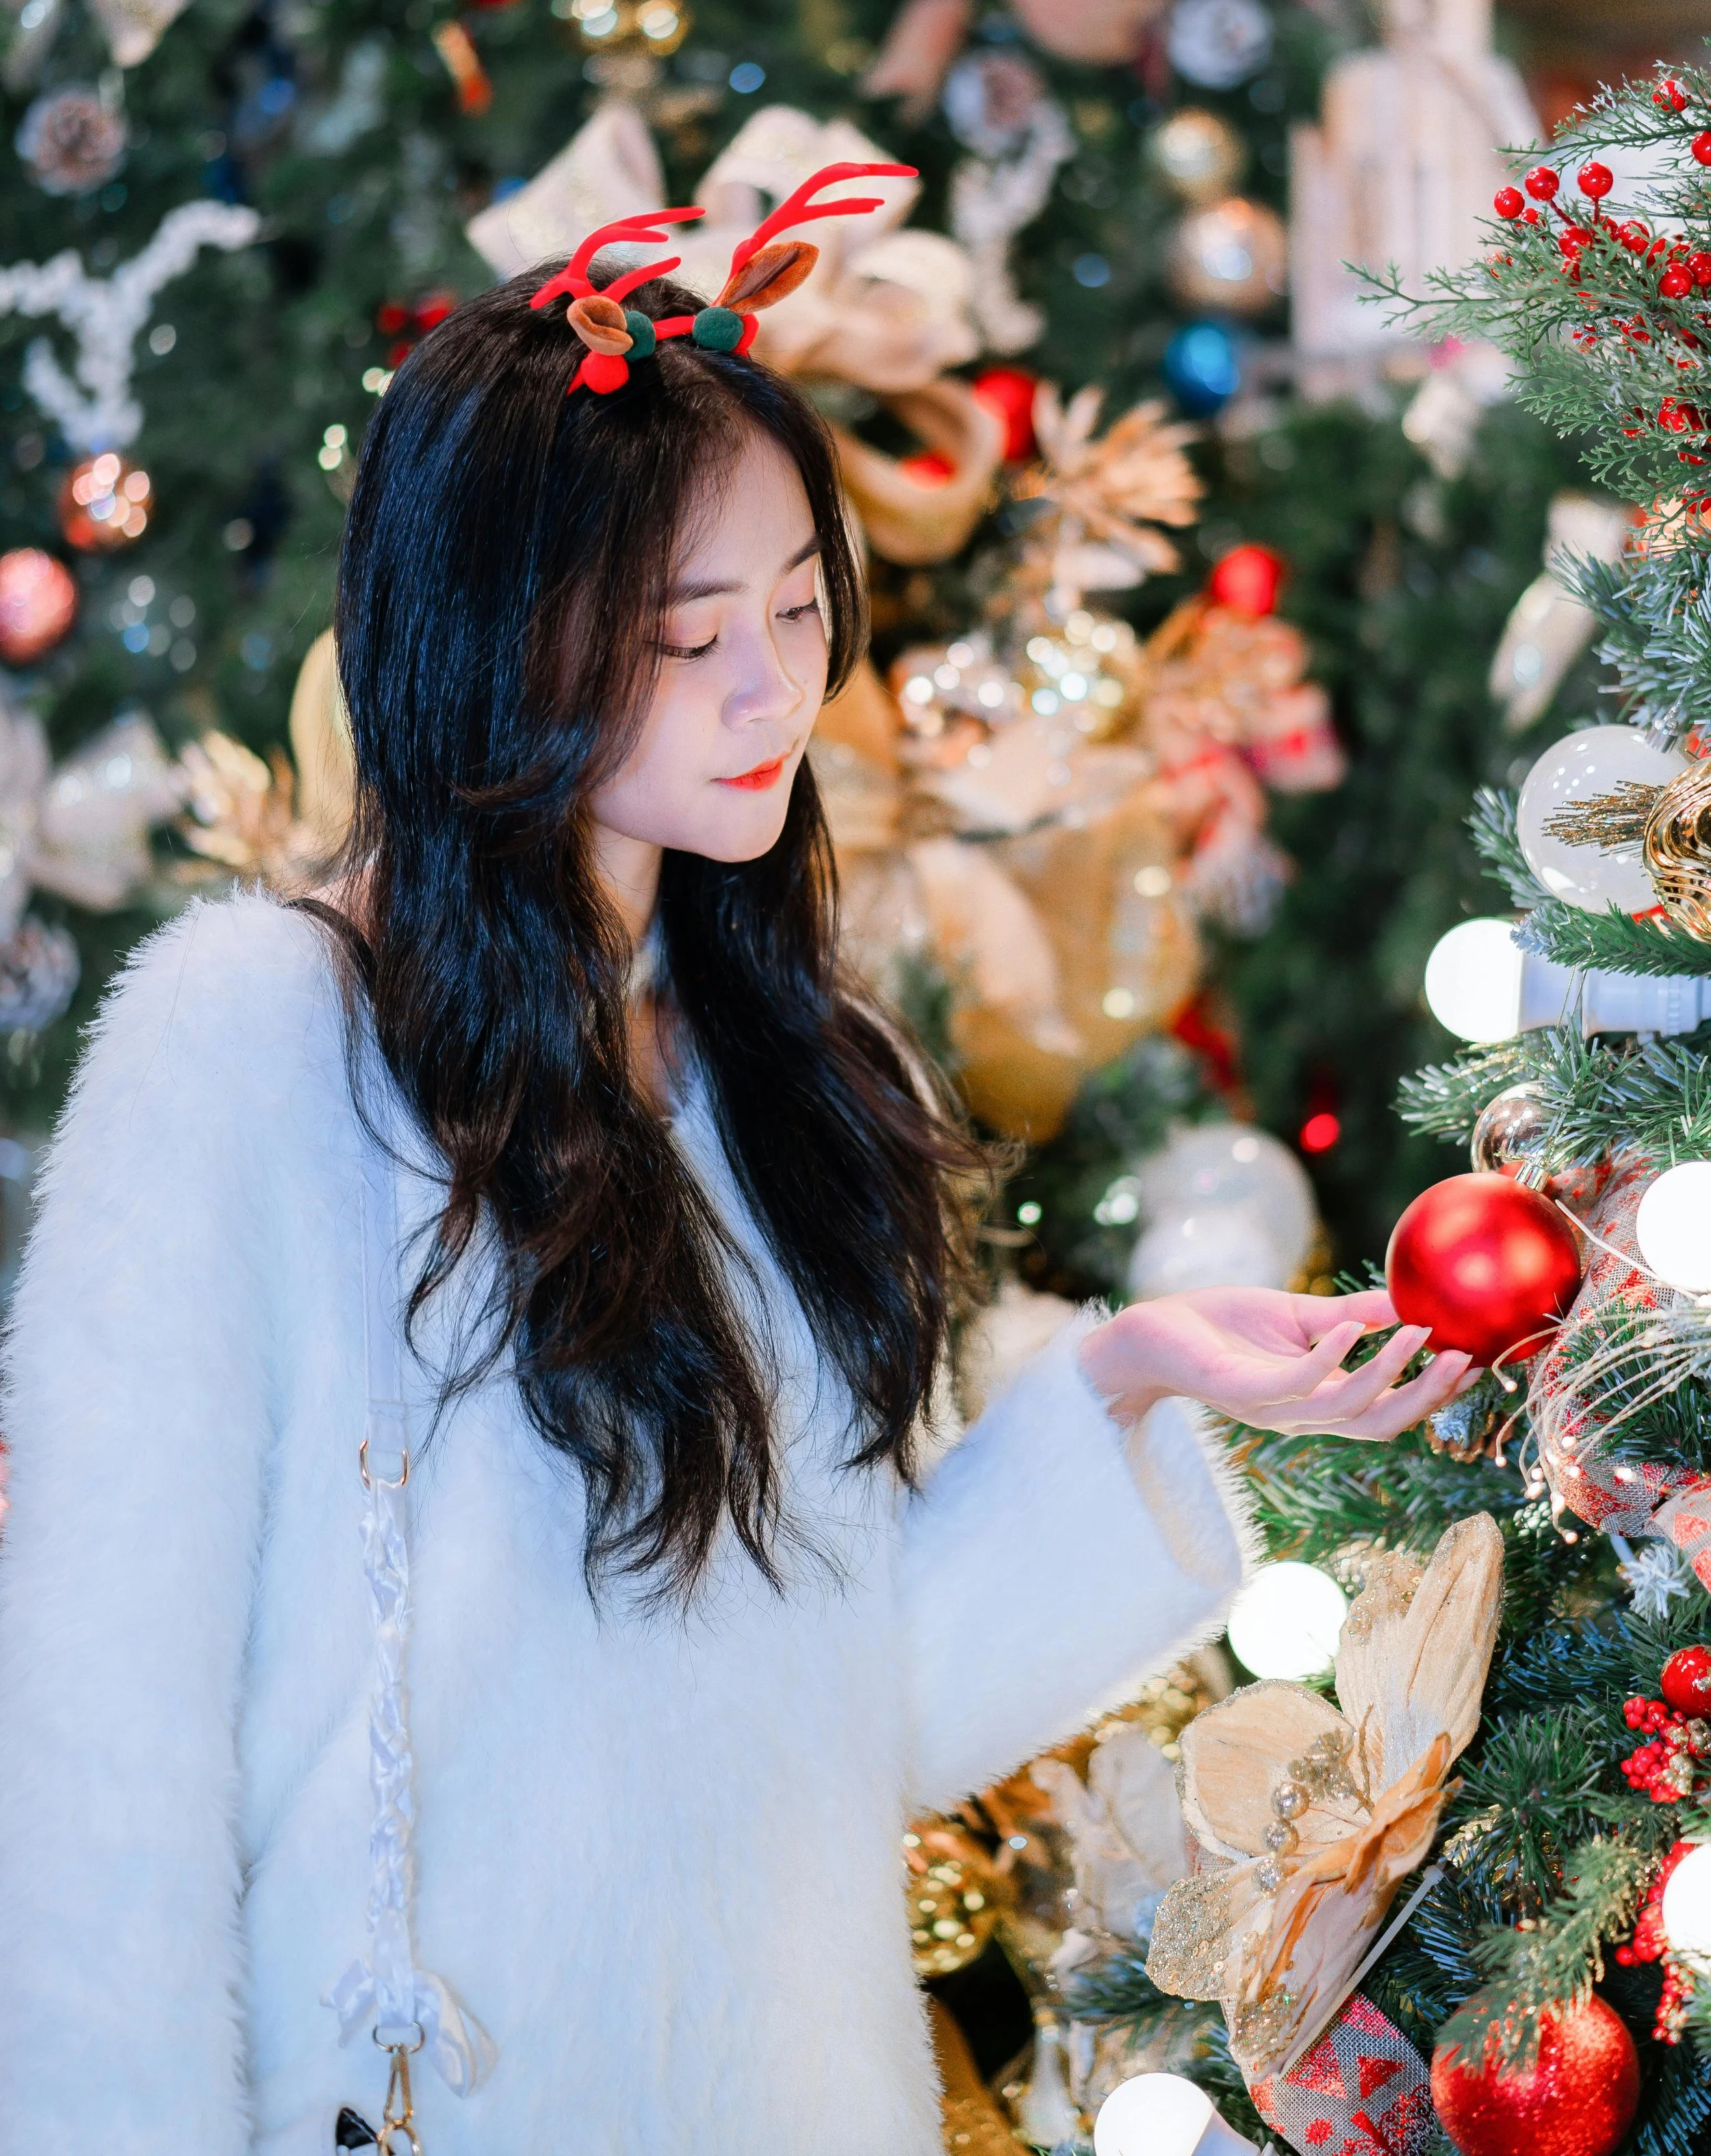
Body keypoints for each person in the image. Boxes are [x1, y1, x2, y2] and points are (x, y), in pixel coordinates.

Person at [0, 185, 1476, 2156]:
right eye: (691, 634)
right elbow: (99, 1756)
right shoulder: (258, 1044)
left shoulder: (797, 1066)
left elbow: (842, 1726)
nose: (776, 687)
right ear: (493, 650)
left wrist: (1129, 1380)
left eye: (797, 607)